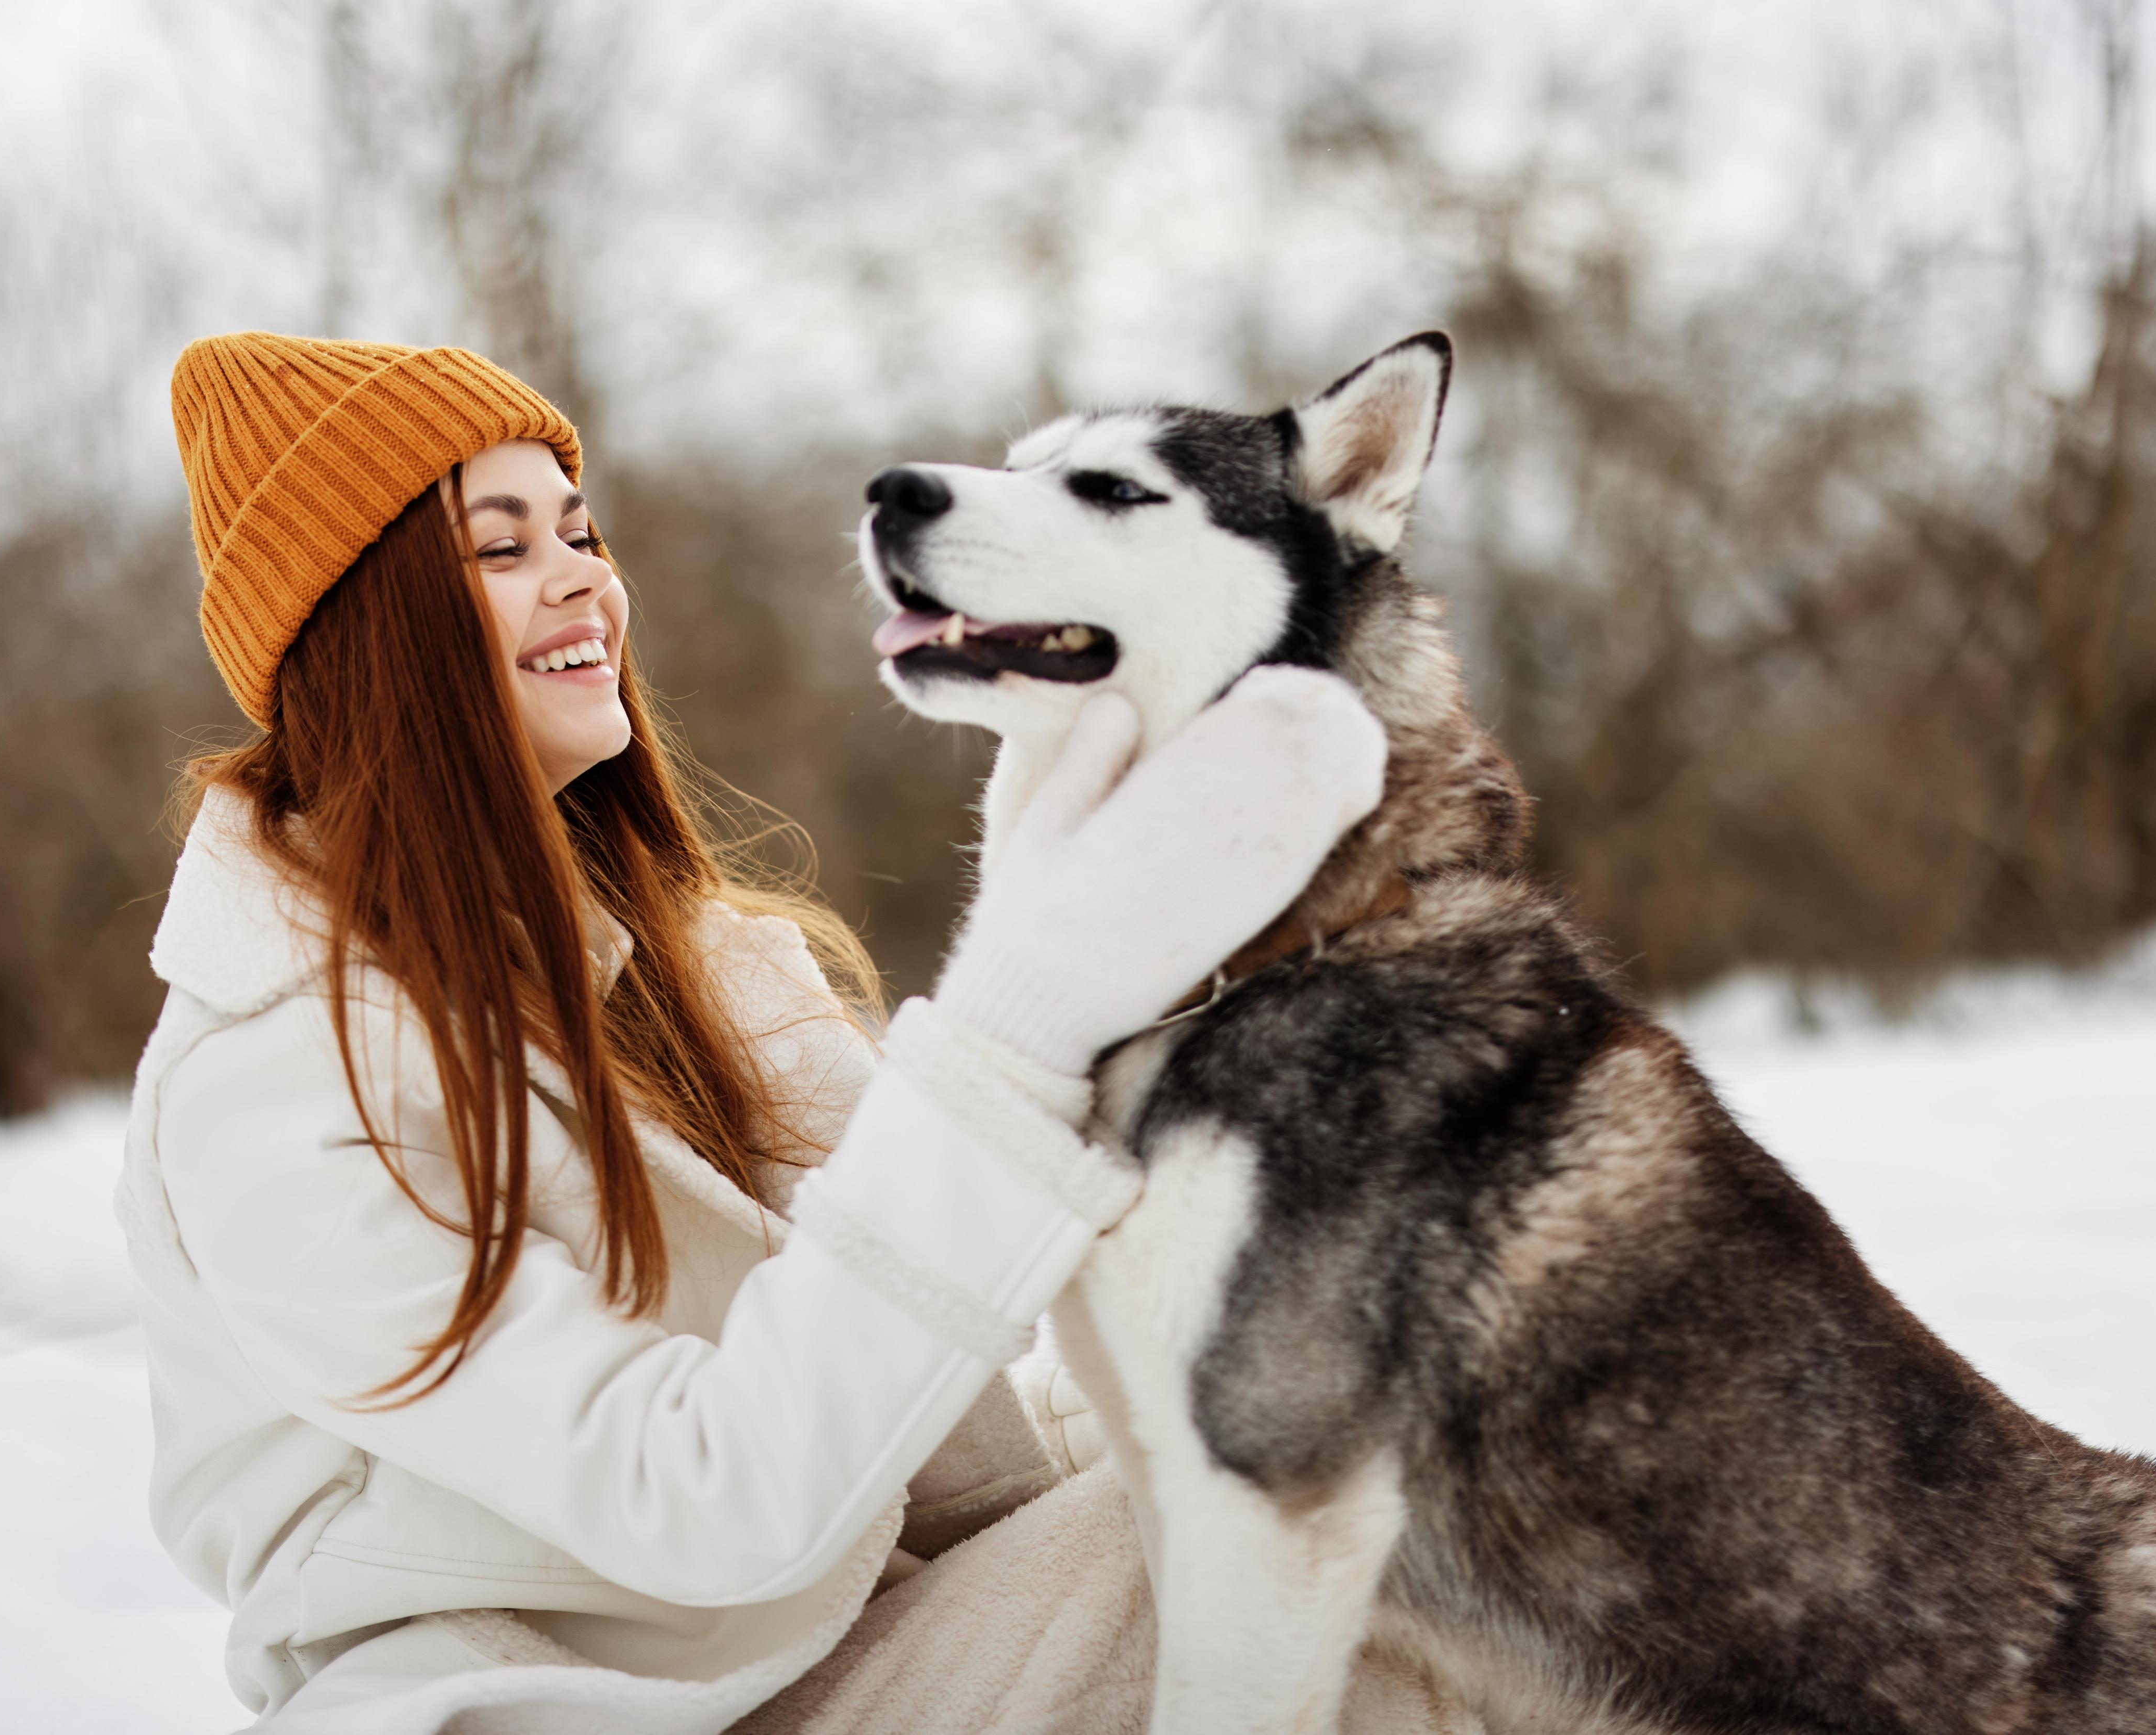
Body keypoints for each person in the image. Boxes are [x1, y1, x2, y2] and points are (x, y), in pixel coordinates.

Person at [121, 332, 1389, 1734]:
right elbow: (706, 1500)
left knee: (1389, 1456)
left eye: (580, 528)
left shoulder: (703, 969)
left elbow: (963, 1460)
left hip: (860, 1640)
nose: (583, 575)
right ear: (373, 629)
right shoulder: (277, 1082)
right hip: (563, 1707)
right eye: (500, 547)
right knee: (1325, 1543)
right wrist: (1016, 1020)